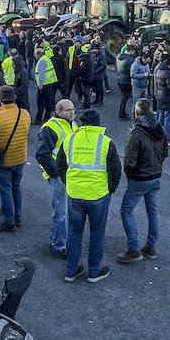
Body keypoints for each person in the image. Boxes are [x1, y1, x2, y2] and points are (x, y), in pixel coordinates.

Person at [63, 109, 123, 284]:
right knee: (97, 233)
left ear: (82, 123)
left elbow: (61, 164)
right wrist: (110, 189)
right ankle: (94, 272)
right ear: (98, 123)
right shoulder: (106, 142)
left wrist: (69, 183)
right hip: (98, 195)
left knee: (74, 233)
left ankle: (71, 270)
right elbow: (115, 169)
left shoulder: (70, 139)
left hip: (75, 194)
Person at [116, 97, 168, 264]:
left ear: (136, 112)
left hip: (140, 177)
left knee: (126, 211)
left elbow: (129, 160)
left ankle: (133, 248)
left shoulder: (136, 133)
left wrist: (130, 175)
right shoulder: (159, 128)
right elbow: (165, 152)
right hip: (155, 175)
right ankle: (151, 247)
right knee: (152, 211)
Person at [0, 86, 31, 233]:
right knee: (16, 187)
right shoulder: (25, 114)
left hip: (4, 160)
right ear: (14, 98)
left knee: (5, 190)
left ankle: (9, 221)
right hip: (20, 157)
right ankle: (18, 216)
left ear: (0, 100)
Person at [34, 97, 76, 260]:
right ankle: (59, 245)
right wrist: (56, 174)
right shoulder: (50, 128)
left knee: (66, 211)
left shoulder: (73, 124)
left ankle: (61, 240)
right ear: (58, 111)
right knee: (61, 213)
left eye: (73, 109)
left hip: (69, 174)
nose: (72, 112)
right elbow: (42, 155)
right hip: (59, 176)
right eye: (68, 110)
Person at [116, 43, 134, 120]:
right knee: (125, 98)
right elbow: (131, 71)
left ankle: (123, 112)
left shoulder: (118, 56)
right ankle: (121, 114)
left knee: (123, 97)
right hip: (126, 80)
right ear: (131, 51)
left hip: (120, 79)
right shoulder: (129, 60)